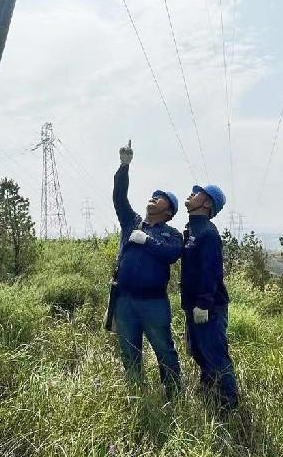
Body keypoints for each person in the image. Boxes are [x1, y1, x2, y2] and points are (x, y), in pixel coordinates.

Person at [110, 140, 183, 399]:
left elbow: (172, 253)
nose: (153, 197)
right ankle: (136, 397)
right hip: (125, 301)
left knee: (164, 350)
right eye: (153, 195)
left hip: (153, 303)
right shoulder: (132, 222)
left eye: (160, 197)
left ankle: (174, 397)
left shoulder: (171, 234)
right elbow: (119, 198)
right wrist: (124, 166)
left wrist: (147, 240)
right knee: (129, 351)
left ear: (169, 211)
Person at [181, 184, 239, 411]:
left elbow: (211, 269)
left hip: (209, 307)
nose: (191, 193)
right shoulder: (192, 230)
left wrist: (204, 303)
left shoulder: (207, 233)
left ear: (207, 203)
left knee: (215, 354)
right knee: (198, 351)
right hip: (193, 305)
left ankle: (230, 405)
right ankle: (209, 392)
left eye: (197, 193)